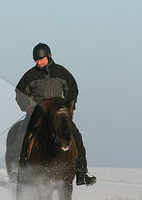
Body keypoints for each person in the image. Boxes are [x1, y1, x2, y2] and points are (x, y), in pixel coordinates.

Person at [6, 43, 97, 186]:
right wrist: (27, 107)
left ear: (49, 56)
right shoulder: (30, 75)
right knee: (23, 133)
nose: (38, 62)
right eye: (36, 60)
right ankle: (18, 170)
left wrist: (69, 107)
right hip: (38, 113)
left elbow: (73, 90)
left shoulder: (62, 72)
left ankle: (81, 172)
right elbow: (19, 93)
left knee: (76, 135)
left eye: (41, 59)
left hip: (57, 114)